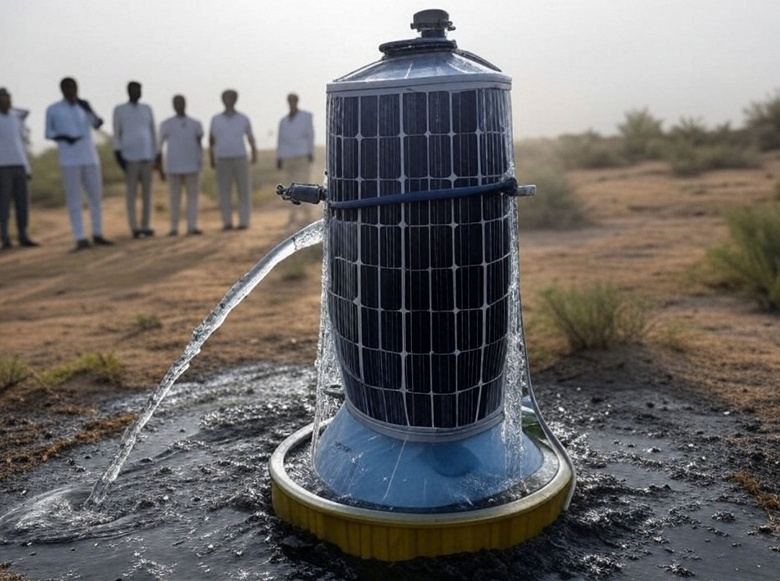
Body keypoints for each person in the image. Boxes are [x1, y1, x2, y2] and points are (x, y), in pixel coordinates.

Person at [45, 77, 112, 251]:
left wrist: (89, 109)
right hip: (69, 159)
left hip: (89, 156)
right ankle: (80, 237)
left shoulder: (84, 107)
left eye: (74, 87)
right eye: (68, 87)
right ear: (62, 89)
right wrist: (65, 137)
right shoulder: (54, 109)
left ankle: (97, 233)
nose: (71, 90)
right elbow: (49, 132)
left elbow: (98, 124)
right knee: (74, 198)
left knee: (95, 197)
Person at [113, 81, 158, 238]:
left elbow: (153, 131)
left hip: (147, 156)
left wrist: (156, 153)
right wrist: (118, 153)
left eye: (139, 90)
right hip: (129, 156)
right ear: (128, 91)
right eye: (133, 90)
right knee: (131, 194)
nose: (136, 92)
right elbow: (117, 132)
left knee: (147, 193)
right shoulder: (120, 110)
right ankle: (134, 227)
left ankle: (145, 225)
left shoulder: (147, 109)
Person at [209, 89, 256, 230]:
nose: (229, 100)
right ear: (222, 100)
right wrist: (211, 157)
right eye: (226, 98)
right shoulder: (216, 119)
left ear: (235, 100)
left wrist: (254, 152)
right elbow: (211, 140)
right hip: (222, 158)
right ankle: (227, 222)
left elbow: (250, 136)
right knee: (224, 191)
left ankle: (244, 222)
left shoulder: (243, 118)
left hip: (240, 157)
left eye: (231, 98)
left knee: (243, 190)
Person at [158, 95, 203, 236]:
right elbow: (159, 146)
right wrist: (160, 167)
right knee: (174, 198)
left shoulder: (195, 124)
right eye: (176, 103)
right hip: (173, 166)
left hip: (192, 165)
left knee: (193, 198)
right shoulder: (166, 124)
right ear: (173, 105)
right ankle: (174, 227)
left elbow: (199, 144)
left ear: (185, 104)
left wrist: (199, 161)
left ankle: (192, 226)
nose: (179, 105)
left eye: (181, 102)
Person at [0, 87, 39, 249]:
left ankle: (23, 235)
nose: (7, 101)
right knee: (4, 205)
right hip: (2, 166)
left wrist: (27, 167)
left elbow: (21, 144)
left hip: (19, 164)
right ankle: (5, 238)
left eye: (8, 97)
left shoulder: (16, 118)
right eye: (3, 98)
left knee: (22, 203)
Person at [276, 92, 315, 231]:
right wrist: (279, 157)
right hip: (288, 156)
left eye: (293, 100)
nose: (292, 103)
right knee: (290, 186)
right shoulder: (283, 121)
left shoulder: (306, 117)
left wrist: (311, 152)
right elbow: (280, 140)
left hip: (302, 154)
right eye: (290, 101)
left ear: (297, 101)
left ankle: (307, 214)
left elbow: (311, 135)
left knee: (304, 184)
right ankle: (293, 215)